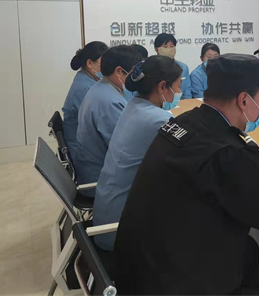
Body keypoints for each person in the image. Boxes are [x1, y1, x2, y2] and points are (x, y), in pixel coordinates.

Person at [114, 54, 259, 295]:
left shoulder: (185, 122)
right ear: (244, 99)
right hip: (170, 284)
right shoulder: (228, 152)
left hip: (140, 269)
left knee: (246, 248)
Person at [93, 56, 183, 251]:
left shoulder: (134, 105)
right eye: (177, 86)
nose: (179, 92)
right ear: (162, 87)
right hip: (122, 230)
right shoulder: (159, 119)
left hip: (108, 213)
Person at [74, 45, 142, 191]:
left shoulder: (102, 87)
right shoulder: (109, 102)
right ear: (119, 71)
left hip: (95, 168)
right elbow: (124, 151)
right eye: (133, 72)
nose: (135, 78)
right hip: (100, 181)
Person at [62, 41, 108, 153]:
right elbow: (99, 123)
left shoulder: (86, 79)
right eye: (104, 63)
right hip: (83, 151)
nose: (107, 67)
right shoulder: (84, 88)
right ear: (90, 63)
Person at [154, 33, 192, 99]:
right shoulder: (152, 68)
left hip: (181, 103)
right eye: (165, 47)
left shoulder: (183, 67)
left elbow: (187, 93)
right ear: (157, 49)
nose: (169, 49)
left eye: (171, 46)